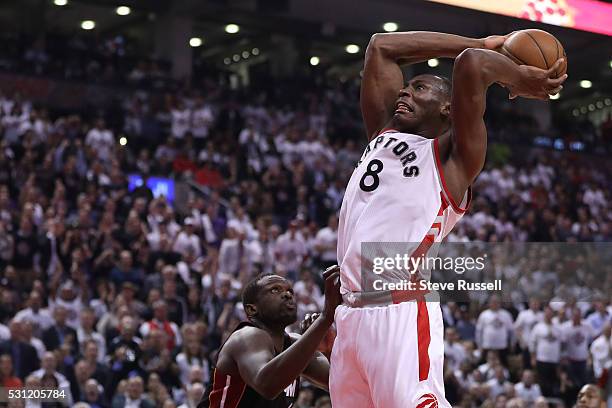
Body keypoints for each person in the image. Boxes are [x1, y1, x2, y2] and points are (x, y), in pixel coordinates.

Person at [332, 29, 566, 408]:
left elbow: (472, 65)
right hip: (350, 314)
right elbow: (380, 46)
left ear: (447, 108)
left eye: (420, 87)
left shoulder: (453, 158)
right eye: (406, 87)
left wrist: (509, 71)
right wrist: (482, 42)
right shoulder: (382, 133)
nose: (405, 92)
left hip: (399, 307)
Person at [198, 266, 341, 408]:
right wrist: (325, 317)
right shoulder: (246, 336)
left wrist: (328, 349)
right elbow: (267, 385)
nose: (287, 294)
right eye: (275, 290)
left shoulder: (293, 344)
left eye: (289, 291)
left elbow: (338, 382)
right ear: (252, 309)